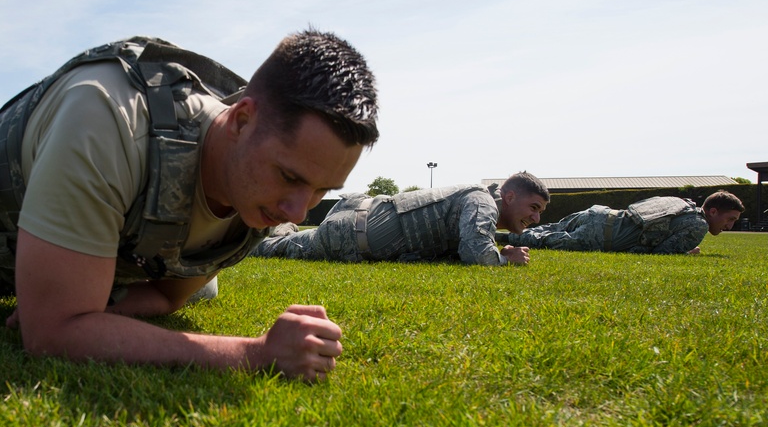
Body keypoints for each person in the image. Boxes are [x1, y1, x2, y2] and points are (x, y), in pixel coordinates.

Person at [0, 31, 379, 382]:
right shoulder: (108, 117)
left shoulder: (254, 183)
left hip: (55, 247)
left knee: (201, 290)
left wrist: (96, 316)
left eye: (319, 193)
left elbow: (170, 291)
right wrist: (252, 355)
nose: (297, 211)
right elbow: (50, 337)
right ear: (243, 118)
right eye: (290, 178)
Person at [251, 172, 550, 266]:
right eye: (533, 207)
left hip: (358, 223)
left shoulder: (479, 201)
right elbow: (476, 252)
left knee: (289, 241)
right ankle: (258, 226)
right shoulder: (482, 201)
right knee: (267, 248)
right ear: (509, 197)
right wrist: (506, 259)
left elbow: (472, 242)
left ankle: (284, 228)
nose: (535, 218)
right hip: (349, 236)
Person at [498, 191, 744, 254]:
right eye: (729, 219)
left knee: (548, 228)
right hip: (603, 234)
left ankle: (498, 231)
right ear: (712, 211)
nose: (730, 226)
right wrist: (688, 252)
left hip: (599, 214)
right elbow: (662, 253)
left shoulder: (682, 203)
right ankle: (500, 237)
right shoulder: (698, 224)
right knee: (545, 239)